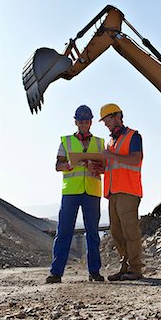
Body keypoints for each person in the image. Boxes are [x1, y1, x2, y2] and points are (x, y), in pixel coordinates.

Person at [46, 105, 105, 284]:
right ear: (76, 122)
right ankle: (56, 273)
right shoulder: (66, 141)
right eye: (81, 121)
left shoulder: (100, 143)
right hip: (71, 192)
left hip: (92, 192)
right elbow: (58, 165)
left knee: (93, 233)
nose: (84, 124)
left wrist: (95, 167)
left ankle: (94, 272)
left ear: (91, 122)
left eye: (86, 121)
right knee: (64, 231)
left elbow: (104, 167)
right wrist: (69, 166)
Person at [99, 103, 144, 281]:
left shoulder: (133, 136)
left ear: (117, 117)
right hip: (113, 192)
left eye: (107, 120)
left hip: (128, 191)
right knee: (116, 232)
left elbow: (135, 159)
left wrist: (111, 157)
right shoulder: (111, 142)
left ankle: (136, 268)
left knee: (130, 230)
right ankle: (125, 267)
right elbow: (112, 166)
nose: (105, 124)